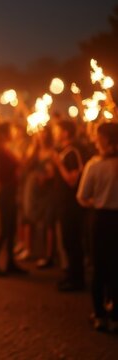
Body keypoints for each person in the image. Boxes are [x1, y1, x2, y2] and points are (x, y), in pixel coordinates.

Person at [77, 122, 118, 332]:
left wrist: (98, 201)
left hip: (101, 220)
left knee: (99, 267)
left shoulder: (94, 164)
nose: (94, 139)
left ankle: (99, 314)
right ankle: (115, 314)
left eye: (97, 136)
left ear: (105, 139)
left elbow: (82, 197)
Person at [0, 123, 27, 276]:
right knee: (3, 230)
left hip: (7, 192)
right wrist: (17, 169)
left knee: (10, 229)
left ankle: (10, 262)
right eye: (10, 131)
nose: (13, 133)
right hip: (3, 193)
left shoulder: (5, 150)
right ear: (3, 134)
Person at [52, 120, 85, 291]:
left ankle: (77, 280)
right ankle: (71, 276)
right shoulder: (64, 151)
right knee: (67, 241)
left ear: (65, 132)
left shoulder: (72, 152)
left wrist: (58, 164)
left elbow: (72, 180)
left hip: (71, 205)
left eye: (57, 129)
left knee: (72, 242)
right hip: (63, 203)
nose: (55, 132)